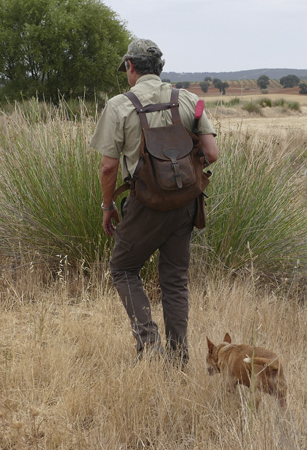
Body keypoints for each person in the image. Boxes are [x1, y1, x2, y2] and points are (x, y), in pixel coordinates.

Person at [90, 39, 219, 367]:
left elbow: (107, 167)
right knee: (175, 281)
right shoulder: (189, 99)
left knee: (123, 268)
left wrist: (108, 207)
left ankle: (149, 344)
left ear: (131, 67)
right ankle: (178, 357)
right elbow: (212, 154)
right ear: (159, 68)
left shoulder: (120, 105)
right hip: (186, 204)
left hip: (145, 204)